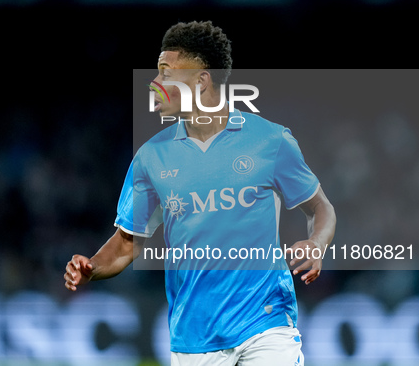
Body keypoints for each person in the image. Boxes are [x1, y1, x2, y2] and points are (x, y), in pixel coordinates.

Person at [64, 20, 336, 366]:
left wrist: (317, 244)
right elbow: (126, 244)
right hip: (194, 338)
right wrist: (92, 266)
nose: (154, 83)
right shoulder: (151, 157)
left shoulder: (270, 141)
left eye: (165, 73)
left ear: (201, 80)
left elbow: (320, 208)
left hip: (267, 323)